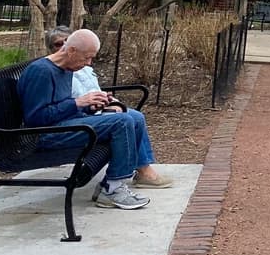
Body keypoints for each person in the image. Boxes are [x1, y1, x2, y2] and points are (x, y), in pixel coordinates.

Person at [17, 28, 172, 211]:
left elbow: (63, 108)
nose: (88, 63)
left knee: (134, 117)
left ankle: (112, 182)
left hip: (64, 126)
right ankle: (113, 190)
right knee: (121, 122)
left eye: (91, 58)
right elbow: (36, 119)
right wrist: (78, 102)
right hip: (45, 135)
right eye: (86, 58)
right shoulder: (41, 72)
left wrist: (91, 106)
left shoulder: (66, 68)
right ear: (71, 50)